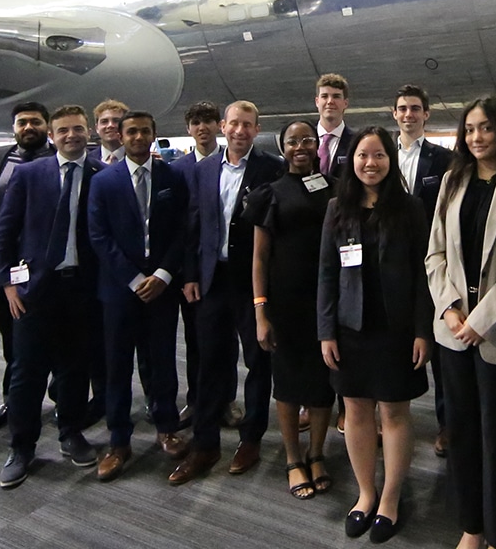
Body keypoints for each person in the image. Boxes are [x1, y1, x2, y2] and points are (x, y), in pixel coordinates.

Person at [426, 98, 496, 549]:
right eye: (470, 129)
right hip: (453, 331)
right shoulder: (453, 182)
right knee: (463, 432)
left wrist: (480, 319)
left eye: (486, 129)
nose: (477, 138)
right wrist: (450, 308)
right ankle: (472, 527)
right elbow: (434, 254)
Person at [319, 126, 433, 543]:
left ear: (391, 160)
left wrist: (424, 330)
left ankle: (390, 496)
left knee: (395, 413)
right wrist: (325, 330)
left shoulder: (411, 208)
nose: (371, 163)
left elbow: (425, 275)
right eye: (363, 155)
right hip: (350, 330)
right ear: (352, 161)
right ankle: (365, 493)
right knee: (356, 412)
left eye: (379, 155)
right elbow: (327, 274)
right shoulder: (337, 208)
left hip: (396, 329)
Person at [0, 105, 105, 488]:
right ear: (52, 135)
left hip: (82, 288)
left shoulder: (101, 175)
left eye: (77, 129)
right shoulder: (27, 174)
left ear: (87, 132)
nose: (71, 135)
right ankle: (22, 447)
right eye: (63, 130)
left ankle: (71, 432)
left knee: (75, 366)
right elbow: (3, 233)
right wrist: (7, 283)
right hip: (33, 290)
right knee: (27, 371)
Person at [173, 101, 285, 484]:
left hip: (253, 283)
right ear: (223, 126)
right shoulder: (202, 170)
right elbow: (193, 225)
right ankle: (204, 445)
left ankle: (251, 438)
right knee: (210, 363)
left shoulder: (273, 169)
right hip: (211, 281)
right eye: (234, 123)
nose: (240, 131)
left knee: (258, 362)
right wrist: (190, 274)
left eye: (248, 125)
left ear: (257, 129)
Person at [87, 110, 192, 481]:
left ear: (153, 135)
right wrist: (133, 279)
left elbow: (183, 229)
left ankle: (167, 426)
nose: (137, 137)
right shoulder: (104, 180)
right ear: (120, 134)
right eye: (131, 131)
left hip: (161, 289)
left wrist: (163, 275)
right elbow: (98, 235)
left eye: (144, 131)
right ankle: (118, 440)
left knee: (162, 360)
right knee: (117, 366)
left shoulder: (171, 177)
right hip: (119, 290)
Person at [249, 119, 337, 500]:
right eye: (292, 141)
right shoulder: (270, 193)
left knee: (322, 384)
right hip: (284, 305)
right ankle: (292, 457)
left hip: (328, 303)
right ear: (282, 146)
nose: (300, 146)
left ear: (317, 144)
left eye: (307, 140)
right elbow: (259, 258)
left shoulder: (336, 188)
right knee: (286, 384)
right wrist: (260, 311)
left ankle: (316, 453)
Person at [0, 101, 55, 429]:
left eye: (35, 122)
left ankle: (64, 402)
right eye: (22, 122)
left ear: (46, 127)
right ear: (13, 127)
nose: (28, 128)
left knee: (59, 340)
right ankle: (14, 401)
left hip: (51, 269)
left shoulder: (63, 158)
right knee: (11, 339)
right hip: (4, 267)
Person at [392, 83, 454, 455]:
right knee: (394, 343)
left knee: (442, 349)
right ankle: (392, 421)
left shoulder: (443, 159)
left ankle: (448, 424)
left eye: (416, 108)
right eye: (403, 109)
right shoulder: (380, 155)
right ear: (394, 114)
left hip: (434, 263)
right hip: (392, 262)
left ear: (426, 114)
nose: (409, 115)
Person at [173, 100, 222, 428]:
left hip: (224, 266)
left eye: (208, 121)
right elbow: (178, 226)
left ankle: (226, 399)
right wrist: (186, 272)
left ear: (219, 125)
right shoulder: (177, 169)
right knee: (195, 338)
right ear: (189, 129)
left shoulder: (229, 161)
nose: (202, 127)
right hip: (191, 269)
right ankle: (196, 399)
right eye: (195, 122)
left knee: (225, 340)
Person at [316, 73, 354, 178]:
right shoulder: (305, 139)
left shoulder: (356, 142)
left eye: (336, 96)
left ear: (345, 103)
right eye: (324, 96)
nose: (330, 101)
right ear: (317, 102)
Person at [89, 99, 128, 165]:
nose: (110, 125)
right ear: (97, 128)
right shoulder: (87, 161)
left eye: (116, 121)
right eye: (104, 121)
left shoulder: (138, 158)